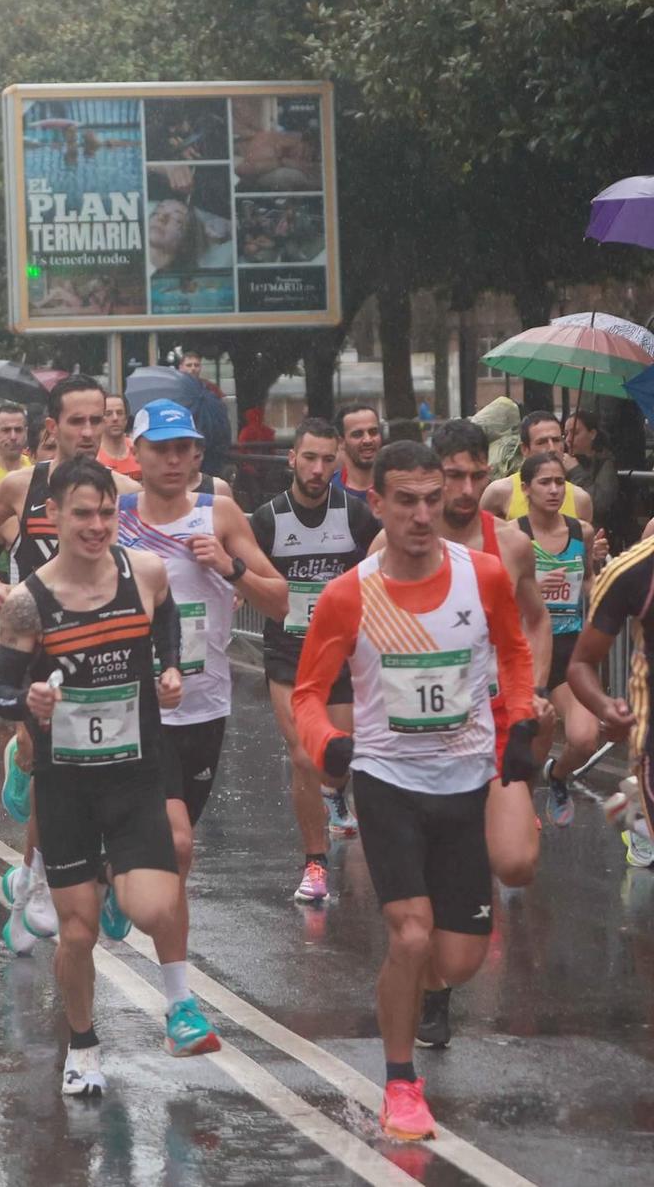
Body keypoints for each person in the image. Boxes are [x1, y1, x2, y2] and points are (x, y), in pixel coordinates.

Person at [295, 440, 541, 1140]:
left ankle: (411, 983)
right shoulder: (352, 593)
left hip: (465, 781)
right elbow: (310, 693)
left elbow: (515, 651)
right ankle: (401, 1082)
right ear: (375, 502)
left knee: (456, 959)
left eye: (434, 498)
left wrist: (518, 719)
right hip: (387, 780)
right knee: (409, 932)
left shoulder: (483, 575)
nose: (423, 513)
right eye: (405, 499)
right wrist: (328, 745)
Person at [0, 457, 221, 1097]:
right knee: (79, 930)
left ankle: (179, 1008)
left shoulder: (143, 572)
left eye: (106, 513)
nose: (97, 526)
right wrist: (28, 703)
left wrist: (169, 668)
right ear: (54, 517)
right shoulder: (27, 603)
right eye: (82, 514)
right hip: (65, 788)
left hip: (134, 774)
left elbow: (167, 617)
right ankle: (83, 1044)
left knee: (154, 901)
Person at [366, 418, 554, 1049]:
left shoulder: (512, 547)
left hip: (493, 730)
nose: (468, 487)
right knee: (423, 902)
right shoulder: (385, 549)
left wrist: (532, 695)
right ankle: (431, 992)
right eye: (454, 474)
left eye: (479, 473)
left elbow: (536, 622)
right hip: (415, 745)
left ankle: (443, 963)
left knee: (518, 862)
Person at [0, 375, 142, 952]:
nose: (90, 432)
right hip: (35, 649)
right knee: (48, 767)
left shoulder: (122, 490)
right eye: (77, 422)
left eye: (99, 420)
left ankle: (100, 874)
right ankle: (35, 883)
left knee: (106, 767)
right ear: (52, 428)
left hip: (101, 648)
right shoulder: (22, 484)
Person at [118, 401, 287, 943]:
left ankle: (138, 896)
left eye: (183, 450)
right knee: (180, 841)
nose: (173, 460)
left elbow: (280, 602)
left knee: (174, 845)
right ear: (135, 453)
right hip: (133, 706)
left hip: (204, 705)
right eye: (160, 449)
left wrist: (229, 567)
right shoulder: (114, 516)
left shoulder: (218, 515)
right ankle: (172, 973)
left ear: (197, 455)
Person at [250, 418, 380, 903]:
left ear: (339, 462)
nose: (319, 469)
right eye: (310, 458)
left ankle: (333, 793)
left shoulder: (358, 516)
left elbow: (385, 564)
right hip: (288, 654)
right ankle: (315, 862)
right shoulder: (267, 518)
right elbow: (243, 575)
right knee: (304, 754)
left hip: (341, 655)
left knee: (338, 755)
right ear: (292, 459)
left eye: (329, 460)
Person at [515, 451, 603, 828]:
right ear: (526, 489)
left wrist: (600, 586)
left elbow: (589, 580)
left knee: (585, 738)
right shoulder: (513, 537)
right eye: (544, 483)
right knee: (531, 735)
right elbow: (496, 596)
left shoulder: (580, 531)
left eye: (559, 482)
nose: (553, 490)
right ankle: (520, 802)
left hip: (569, 651)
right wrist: (533, 588)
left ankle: (558, 776)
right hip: (527, 652)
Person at [567, 530, 654, 869]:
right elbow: (582, 663)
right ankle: (639, 813)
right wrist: (606, 707)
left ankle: (634, 811)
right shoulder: (634, 570)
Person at [482, 412, 598, 528]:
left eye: (556, 440)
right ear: (525, 449)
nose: (552, 448)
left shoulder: (580, 499)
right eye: (542, 442)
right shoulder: (500, 491)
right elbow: (478, 538)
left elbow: (585, 542)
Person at [334, 403, 382, 500]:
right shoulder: (328, 491)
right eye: (357, 434)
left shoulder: (396, 487)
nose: (368, 440)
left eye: (373, 432)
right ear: (341, 442)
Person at [96, 393, 140, 480]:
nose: (115, 418)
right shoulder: (94, 456)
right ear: (100, 419)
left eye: (120, 413)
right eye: (108, 414)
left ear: (126, 419)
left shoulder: (138, 450)